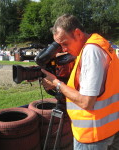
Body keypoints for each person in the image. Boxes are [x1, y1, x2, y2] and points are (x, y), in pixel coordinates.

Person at [41, 14, 119, 150]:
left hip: (92, 135)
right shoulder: (100, 44)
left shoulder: (91, 51)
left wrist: (56, 83)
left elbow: (86, 102)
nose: (64, 49)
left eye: (65, 43)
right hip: (110, 128)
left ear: (77, 33)